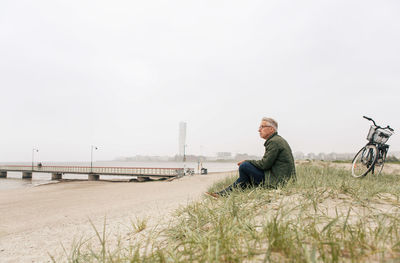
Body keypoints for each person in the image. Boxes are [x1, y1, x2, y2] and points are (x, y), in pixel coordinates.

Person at [206, 117, 296, 198]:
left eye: (262, 127)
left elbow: (265, 165)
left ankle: (225, 193)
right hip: (280, 178)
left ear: (271, 129)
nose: (259, 130)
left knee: (245, 166)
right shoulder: (277, 140)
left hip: (277, 181)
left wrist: (248, 161)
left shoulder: (274, 142)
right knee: (244, 175)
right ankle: (223, 194)